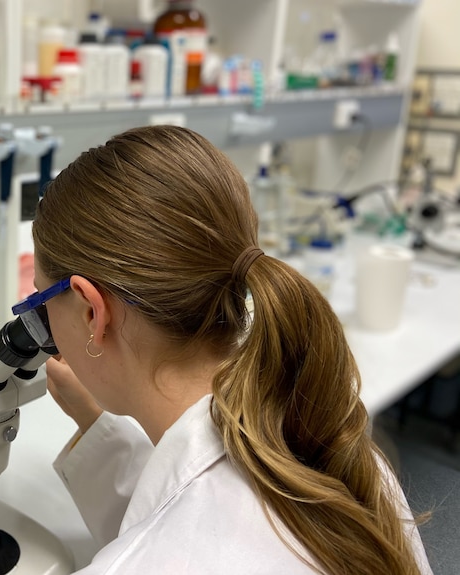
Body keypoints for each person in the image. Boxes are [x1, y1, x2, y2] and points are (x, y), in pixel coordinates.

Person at [29, 125, 432, 574]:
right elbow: (188, 514)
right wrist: (94, 419)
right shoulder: (342, 452)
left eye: (41, 307)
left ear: (91, 312)